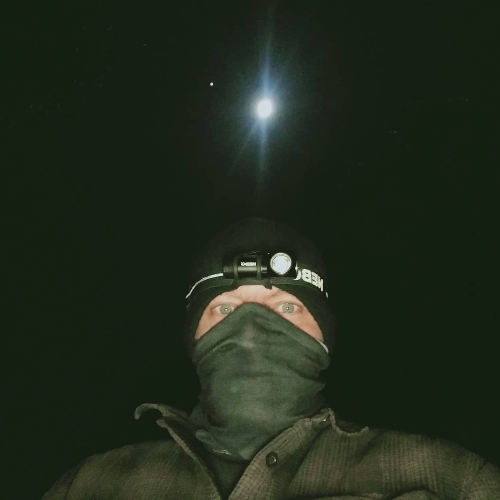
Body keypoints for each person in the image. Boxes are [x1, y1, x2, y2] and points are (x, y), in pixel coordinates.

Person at [42, 217, 500, 499]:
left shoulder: (447, 477)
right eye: (225, 310)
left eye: (285, 308)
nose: (251, 330)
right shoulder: (92, 485)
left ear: (324, 336)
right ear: (193, 337)